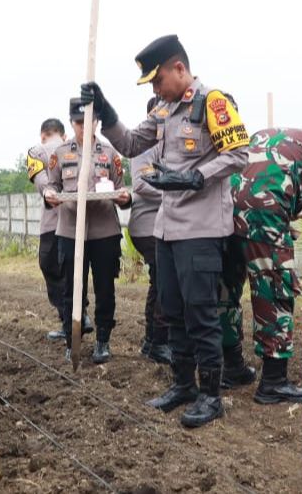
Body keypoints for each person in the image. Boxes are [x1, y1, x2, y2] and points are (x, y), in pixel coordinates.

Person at [81, 34, 250, 427]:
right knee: (172, 310)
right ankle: (183, 385)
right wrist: (106, 112)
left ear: (179, 68)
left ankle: (210, 394)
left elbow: (238, 155)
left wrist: (195, 177)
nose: (155, 90)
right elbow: (130, 143)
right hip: (167, 229)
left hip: (202, 229)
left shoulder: (213, 102)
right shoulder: (164, 109)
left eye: (157, 80)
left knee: (201, 313)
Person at [221, 121, 302, 403]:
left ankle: (230, 367)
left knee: (227, 288)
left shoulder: (268, 134)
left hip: (222, 212)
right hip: (264, 215)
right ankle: (273, 381)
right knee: (275, 289)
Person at [42, 98, 132, 364]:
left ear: (97, 122)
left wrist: (124, 198)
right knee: (72, 289)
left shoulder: (110, 153)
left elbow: (121, 187)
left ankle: (103, 340)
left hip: (104, 231)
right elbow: (52, 187)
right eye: (78, 123)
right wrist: (50, 195)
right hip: (70, 231)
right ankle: (73, 340)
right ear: (72, 123)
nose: (83, 127)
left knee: (105, 288)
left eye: (88, 122)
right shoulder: (60, 153)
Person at [27, 118, 81, 342]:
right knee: (72, 271)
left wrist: (50, 193)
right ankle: (79, 316)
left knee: (50, 267)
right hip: (76, 223)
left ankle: (69, 318)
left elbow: (41, 183)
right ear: (64, 135)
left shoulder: (36, 150)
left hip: (51, 223)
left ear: (42, 135)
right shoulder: (75, 148)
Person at [130, 97, 171, 364]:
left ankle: (152, 341)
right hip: (147, 225)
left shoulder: (168, 142)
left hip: (160, 224)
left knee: (159, 281)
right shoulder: (146, 143)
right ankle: (158, 341)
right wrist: (176, 193)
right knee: (165, 280)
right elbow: (141, 183)